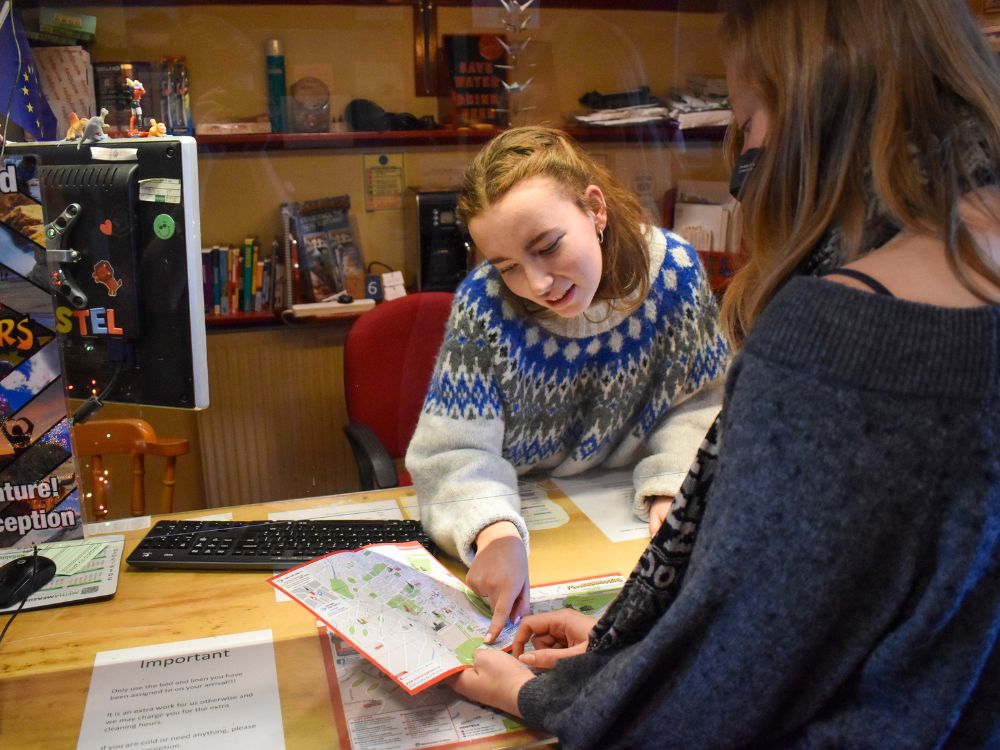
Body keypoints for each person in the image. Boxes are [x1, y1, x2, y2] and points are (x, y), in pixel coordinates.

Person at [448, 1, 1000, 747]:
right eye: (508, 266)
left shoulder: (827, 336)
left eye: (750, 118)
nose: (746, 149)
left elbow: (725, 688)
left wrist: (561, 698)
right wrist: (627, 641)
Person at [405, 126, 730, 642]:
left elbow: (698, 405)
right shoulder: (484, 306)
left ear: (595, 210)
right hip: (529, 524)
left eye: (548, 246)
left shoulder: (676, 275)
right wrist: (494, 533)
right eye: (507, 266)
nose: (536, 284)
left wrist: (676, 490)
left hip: (624, 522)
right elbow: (455, 451)